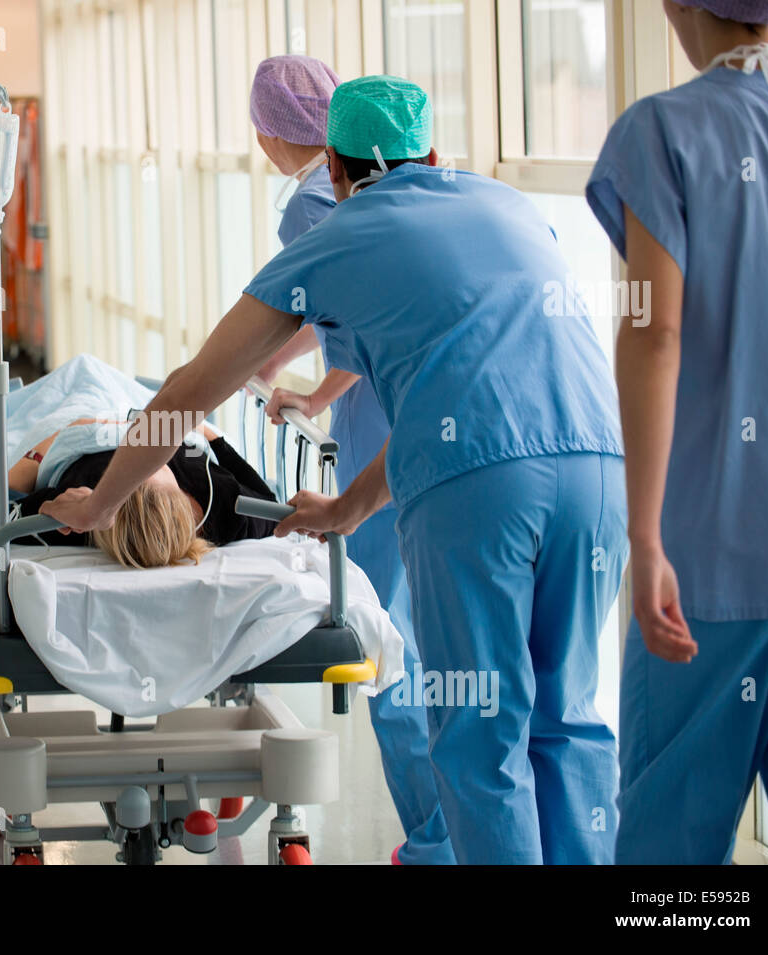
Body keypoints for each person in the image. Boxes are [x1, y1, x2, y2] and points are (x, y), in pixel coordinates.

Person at [42, 75, 629, 865]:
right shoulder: (507, 205)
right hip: (600, 467)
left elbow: (187, 393)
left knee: (482, 732)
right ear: (431, 150)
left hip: (480, 493)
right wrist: (352, 506)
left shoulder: (342, 233)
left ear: (336, 169)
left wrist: (104, 503)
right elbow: (472, 390)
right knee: (568, 718)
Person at [586, 0, 768, 864]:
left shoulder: (664, 130)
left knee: (671, 863)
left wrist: (646, 537)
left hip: (713, 558)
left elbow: (655, 330)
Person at [250, 55, 453, 865]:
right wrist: (295, 373)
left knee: (383, 636)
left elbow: (353, 326)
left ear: (273, 132)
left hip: (384, 432)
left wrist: (308, 388)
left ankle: (438, 837)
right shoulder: (443, 198)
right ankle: (463, 831)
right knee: (442, 643)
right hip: (447, 429)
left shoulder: (312, 203)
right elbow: (340, 312)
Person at [0, 417, 278, 567]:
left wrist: (38, 453)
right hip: (173, 427)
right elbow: (271, 506)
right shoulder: (223, 506)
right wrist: (212, 437)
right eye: (156, 462)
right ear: (184, 501)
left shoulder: (74, 519)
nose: (142, 454)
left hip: (76, 431)